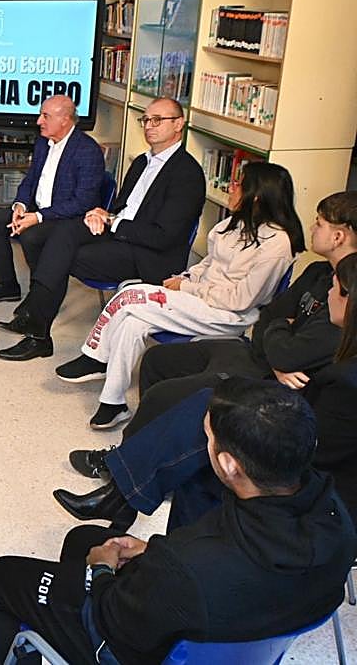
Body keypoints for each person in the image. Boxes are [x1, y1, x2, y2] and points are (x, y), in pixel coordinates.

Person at [0, 378, 357, 665]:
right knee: (83, 538)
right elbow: (199, 562)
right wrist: (154, 551)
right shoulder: (336, 521)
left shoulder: (184, 568)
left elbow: (111, 621)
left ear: (229, 464)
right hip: (239, 618)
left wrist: (100, 574)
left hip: (132, 637)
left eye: (207, 436)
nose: (203, 442)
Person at [55, 251, 357, 532]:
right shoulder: (341, 348)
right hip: (289, 423)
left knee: (209, 417)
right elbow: (274, 322)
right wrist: (280, 340)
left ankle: (123, 493)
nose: (328, 295)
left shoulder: (346, 380)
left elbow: (313, 447)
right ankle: (128, 491)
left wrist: (280, 340)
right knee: (198, 405)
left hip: (307, 476)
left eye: (336, 291)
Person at [55, 162, 302, 430]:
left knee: (129, 296)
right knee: (132, 320)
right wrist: (186, 278)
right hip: (197, 299)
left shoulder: (278, 244)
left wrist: (187, 289)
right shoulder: (235, 223)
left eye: (238, 184)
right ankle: (113, 402)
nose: (231, 188)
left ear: (256, 196)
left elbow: (241, 300)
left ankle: (96, 357)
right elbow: (208, 263)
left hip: (228, 315)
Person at [0, 98, 205, 362]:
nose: (149, 126)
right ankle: (35, 321)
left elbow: (164, 237)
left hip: (147, 254)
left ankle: (37, 330)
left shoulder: (187, 173)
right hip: (119, 232)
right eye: (146, 120)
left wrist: (114, 223)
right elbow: (124, 205)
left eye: (157, 120)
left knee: (61, 253)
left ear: (179, 124)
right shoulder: (142, 161)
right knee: (60, 234)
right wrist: (103, 214)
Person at [130, 190, 357, 413]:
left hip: (278, 385)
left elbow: (289, 353)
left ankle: (156, 442)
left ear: (338, 237)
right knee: (156, 359)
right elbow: (267, 316)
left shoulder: (347, 297)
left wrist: (280, 340)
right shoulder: (317, 272)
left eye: (319, 223)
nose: (311, 228)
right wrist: (279, 346)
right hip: (261, 357)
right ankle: (144, 442)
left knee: (164, 396)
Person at [0, 95, 105, 304]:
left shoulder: (87, 151)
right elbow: (31, 178)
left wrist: (38, 217)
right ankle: (7, 285)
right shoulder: (43, 142)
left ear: (65, 119)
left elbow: (83, 202)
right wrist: (20, 205)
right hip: (37, 209)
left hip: (68, 218)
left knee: (31, 236)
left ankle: (40, 295)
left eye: (45, 116)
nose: (38, 122)